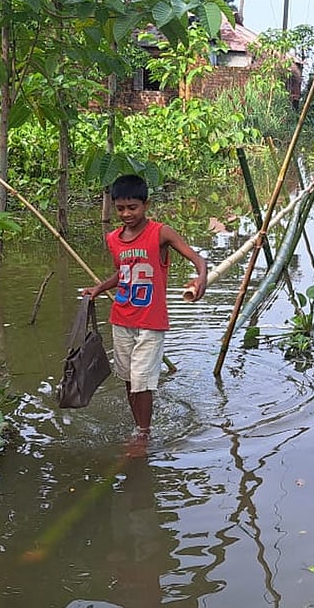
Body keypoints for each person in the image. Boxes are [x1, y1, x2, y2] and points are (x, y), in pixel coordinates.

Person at [82, 174, 208, 455]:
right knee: (129, 379)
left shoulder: (161, 233)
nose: (126, 214)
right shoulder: (113, 239)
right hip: (122, 318)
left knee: (141, 381)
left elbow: (198, 258)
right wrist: (99, 289)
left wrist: (201, 278)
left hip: (150, 322)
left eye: (133, 208)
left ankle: (143, 433)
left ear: (146, 204)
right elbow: (123, 273)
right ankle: (139, 424)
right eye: (120, 209)